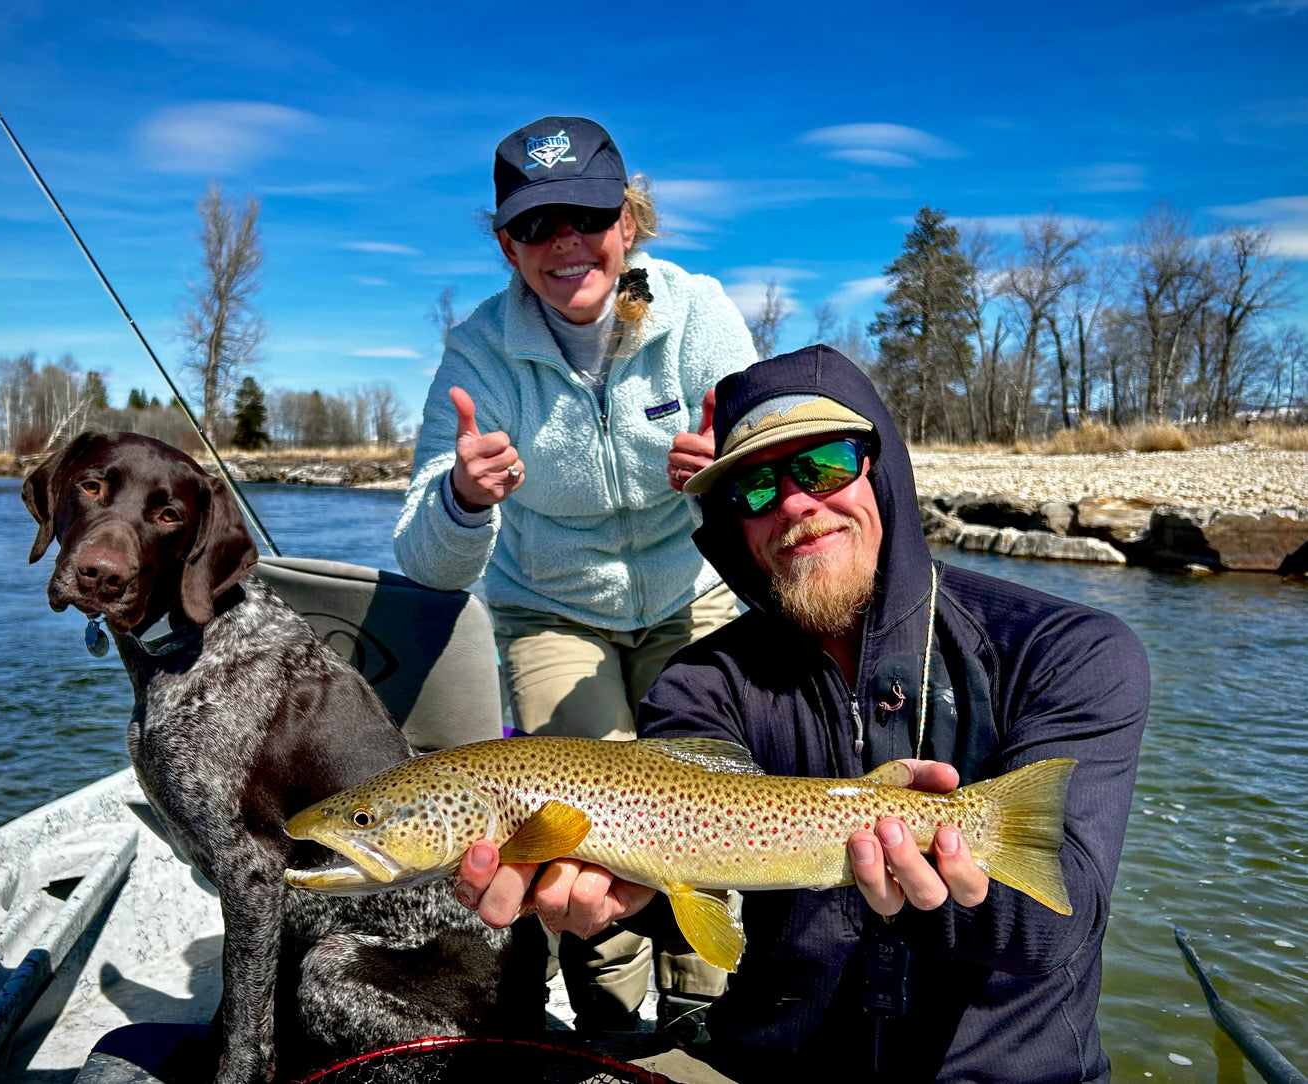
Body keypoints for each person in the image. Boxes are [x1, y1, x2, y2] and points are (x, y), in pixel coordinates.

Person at [456, 345, 1150, 1082]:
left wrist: (930, 892)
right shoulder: (699, 681)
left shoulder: (1066, 649)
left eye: (823, 467)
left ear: (882, 472)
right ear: (734, 525)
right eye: (754, 490)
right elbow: (698, 872)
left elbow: (1058, 925)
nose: (792, 503)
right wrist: (614, 899)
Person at [393, 116, 757, 1033]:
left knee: (704, 807)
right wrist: (465, 500)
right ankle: (607, 1023)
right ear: (506, 243)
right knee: (580, 831)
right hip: (551, 610)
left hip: (695, 593)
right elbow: (422, 559)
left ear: (627, 222)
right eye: (533, 224)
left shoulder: (699, 314)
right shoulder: (477, 352)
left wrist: (733, 473)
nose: (564, 244)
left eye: (586, 216)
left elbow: (784, 467)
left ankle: (702, 1014)